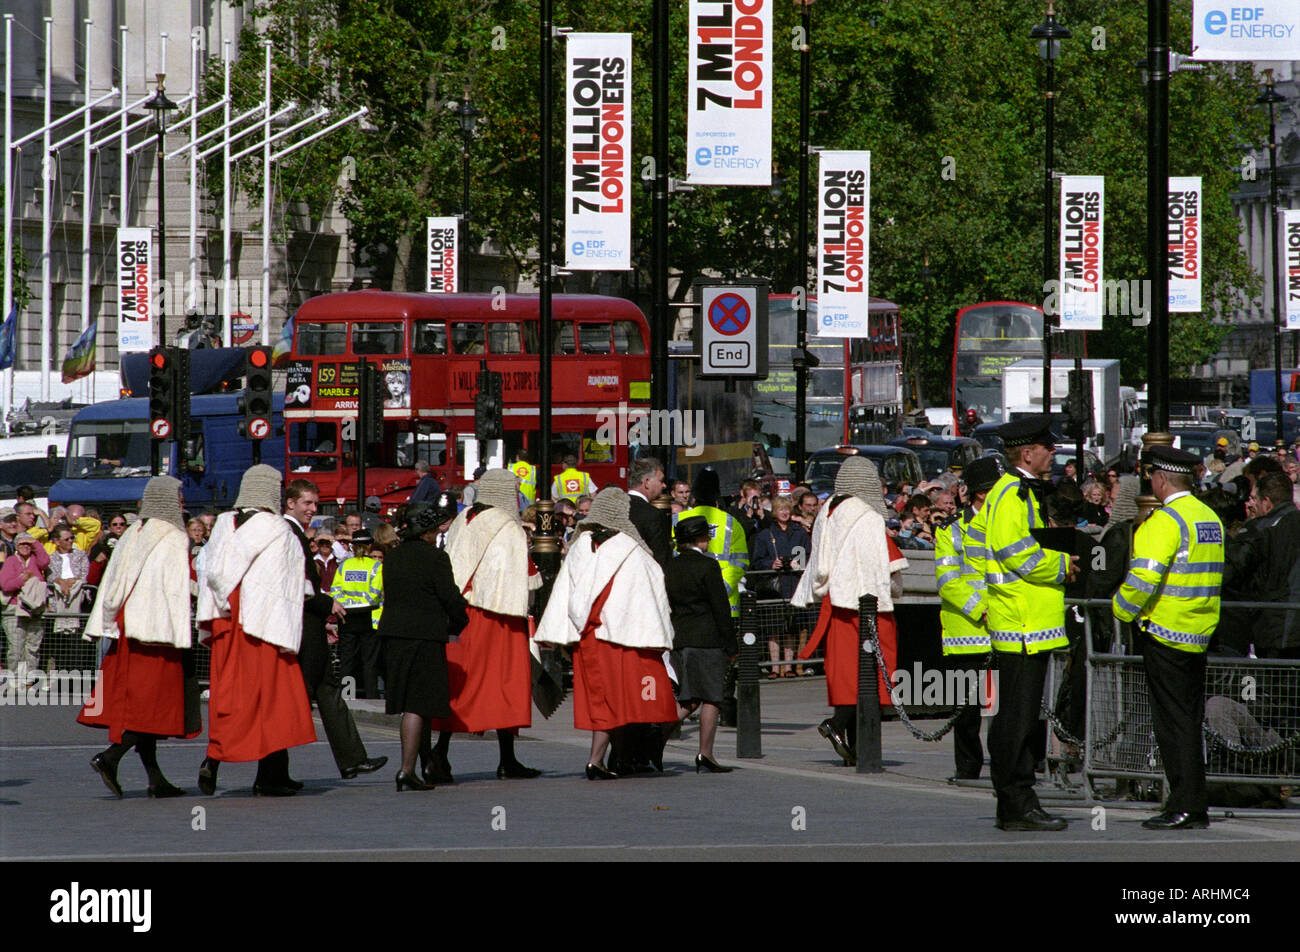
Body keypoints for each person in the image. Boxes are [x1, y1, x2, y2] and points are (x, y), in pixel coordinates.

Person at [1113, 445, 1224, 830]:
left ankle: (1185, 805)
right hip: (1198, 632)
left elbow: (1143, 579)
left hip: (1164, 633)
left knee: (1172, 725)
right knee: (1188, 723)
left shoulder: (1163, 522)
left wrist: (1120, 609)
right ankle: (1193, 803)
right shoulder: (1209, 517)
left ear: (1160, 479)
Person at [534, 488, 678, 779]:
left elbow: (563, 591)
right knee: (625, 700)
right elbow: (649, 594)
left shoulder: (579, 545)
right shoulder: (633, 549)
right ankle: (607, 759)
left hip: (588, 636)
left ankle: (606, 759)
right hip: (625, 636)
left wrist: (559, 631)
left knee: (601, 700)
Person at [196, 464, 317, 797]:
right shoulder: (277, 528)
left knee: (229, 696)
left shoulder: (222, 523)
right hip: (262, 625)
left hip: (226, 622)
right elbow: (286, 580)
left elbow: (210, 569)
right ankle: (269, 776)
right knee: (273, 702)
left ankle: (218, 760)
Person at [982, 414, 1076, 832]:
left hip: (1028, 624)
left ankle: (1018, 802)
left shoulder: (1023, 493)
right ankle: (1015, 803)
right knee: (1016, 722)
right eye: (1048, 447)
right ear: (1027, 453)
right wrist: (1062, 565)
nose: (1053, 453)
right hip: (1019, 623)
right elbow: (1018, 554)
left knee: (1021, 720)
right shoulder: (1011, 495)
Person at [77, 476, 194, 798]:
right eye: (179, 496)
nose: (183, 501)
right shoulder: (173, 536)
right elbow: (174, 588)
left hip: (128, 627)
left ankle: (156, 779)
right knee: (152, 707)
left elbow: (114, 581)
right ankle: (111, 757)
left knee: (138, 704)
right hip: (158, 630)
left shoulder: (132, 533)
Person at [427, 469, 542, 781]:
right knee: (505, 684)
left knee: (462, 685)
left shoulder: (463, 521)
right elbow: (525, 576)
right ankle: (507, 760)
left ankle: (441, 752)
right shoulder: (508, 526)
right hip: (498, 614)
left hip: (462, 612)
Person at [792, 457, 907, 765]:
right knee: (871, 674)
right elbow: (890, 571)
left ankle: (851, 747)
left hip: (836, 606)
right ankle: (843, 730)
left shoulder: (827, 513)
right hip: (868, 607)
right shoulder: (868, 519)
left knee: (847, 676)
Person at [283, 478, 388, 781]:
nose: (312, 509)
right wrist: (327, 604)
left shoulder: (297, 534)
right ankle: (254, 767)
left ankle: (353, 759)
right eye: (307, 503)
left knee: (328, 691)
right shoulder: (291, 534)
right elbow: (297, 585)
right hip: (301, 628)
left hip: (310, 627)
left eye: (315, 504)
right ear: (290, 503)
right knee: (292, 699)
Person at [380, 506, 471, 791]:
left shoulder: (392, 557)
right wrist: (459, 622)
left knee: (410, 703)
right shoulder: (435, 557)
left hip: (393, 634)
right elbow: (450, 597)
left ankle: (420, 765)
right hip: (425, 635)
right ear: (428, 531)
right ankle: (407, 769)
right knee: (418, 705)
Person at [936, 456, 1002, 781]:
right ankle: (967, 770)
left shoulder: (1006, 525)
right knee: (966, 713)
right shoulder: (951, 530)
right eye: (994, 490)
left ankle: (1006, 765)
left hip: (1004, 630)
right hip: (967, 633)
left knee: (1002, 710)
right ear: (979, 493)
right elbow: (949, 581)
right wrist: (983, 608)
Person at [664, 515, 738, 772]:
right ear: (698, 539)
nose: (709, 539)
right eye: (706, 535)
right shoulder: (707, 567)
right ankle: (704, 753)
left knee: (690, 698)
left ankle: (653, 739)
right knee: (711, 697)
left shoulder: (670, 566)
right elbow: (720, 608)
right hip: (707, 639)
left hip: (680, 637)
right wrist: (731, 646)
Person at [1222, 471, 1300, 658]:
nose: (1251, 504)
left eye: (1254, 499)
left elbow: (1230, 571)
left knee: (1274, 683)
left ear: (1266, 501)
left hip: (1276, 629)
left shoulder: (1260, 529)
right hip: (1283, 625)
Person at [750, 496, 812, 677]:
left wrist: (796, 563)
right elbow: (756, 562)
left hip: (793, 584)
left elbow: (807, 557)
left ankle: (789, 667)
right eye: (780, 510)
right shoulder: (764, 535)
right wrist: (771, 564)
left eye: (787, 509)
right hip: (773, 587)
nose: (784, 513)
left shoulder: (799, 533)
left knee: (791, 628)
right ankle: (775, 667)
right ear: (774, 513)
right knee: (774, 629)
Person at [674, 469, 748, 618]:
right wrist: (718, 591)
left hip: (685, 603)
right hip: (724, 605)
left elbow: (671, 559)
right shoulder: (732, 523)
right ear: (717, 498)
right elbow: (740, 563)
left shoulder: (677, 520)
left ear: (693, 498)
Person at [330, 529, 383, 699]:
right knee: (369, 662)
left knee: (347, 660)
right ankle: (371, 697)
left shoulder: (344, 566)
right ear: (369, 546)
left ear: (352, 546)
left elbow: (335, 590)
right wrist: (360, 603)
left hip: (347, 617)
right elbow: (375, 594)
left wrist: (348, 604)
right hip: (368, 618)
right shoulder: (376, 566)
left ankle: (347, 697)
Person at [1, 532, 50, 686]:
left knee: (32, 647)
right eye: (22, 543)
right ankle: (15, 679)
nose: (26, 546)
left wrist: (35, 543)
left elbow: (45, 561)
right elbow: (5, 585)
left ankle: (29, 680)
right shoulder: (10, 561)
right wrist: (22, 579)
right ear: (16, 545)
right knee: (16, 648)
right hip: (14, 609)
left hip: (35, 610)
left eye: (28, 544)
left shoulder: (36, 561)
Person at [627, 456, 670, 567]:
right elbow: (660, 560)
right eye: (661, 480)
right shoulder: (654, 515)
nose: (664, 485)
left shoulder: (614, 508)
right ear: (646, 482)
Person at [46, 525, 90, 634]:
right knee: (57, 585)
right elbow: (50, 577)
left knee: (78, 584)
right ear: (57, 541)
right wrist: (62, 582)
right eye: (67, 539)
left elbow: (85, 574)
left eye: (72, 538)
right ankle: (62, 624)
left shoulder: (80, 555)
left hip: (77, 589)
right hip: (59, 591)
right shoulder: (51, 558)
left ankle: (72, 623)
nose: (71, 541)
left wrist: (73, 580)